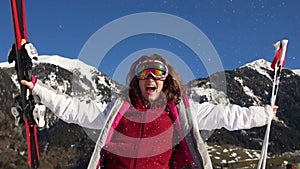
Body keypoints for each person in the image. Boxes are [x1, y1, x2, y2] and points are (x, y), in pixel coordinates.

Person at [21, 53, 278, 169]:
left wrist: (264, 114)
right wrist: (38, 89)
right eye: (143, 73)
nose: (150, 77)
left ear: (166, 80)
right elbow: (73, 109)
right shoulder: (117, 111)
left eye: (158, 72)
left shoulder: (182, 112)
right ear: (137, 80)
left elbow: (226, 116)